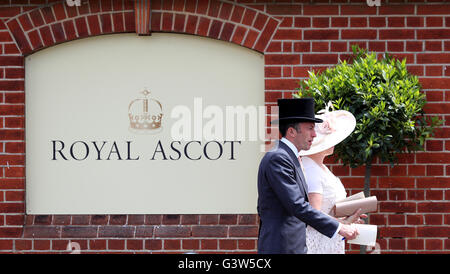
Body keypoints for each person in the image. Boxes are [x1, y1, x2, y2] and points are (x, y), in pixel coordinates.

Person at [257, 98, 358, 254]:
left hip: (293, 246)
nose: (314, 134)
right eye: (310, 128)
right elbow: (297, 205)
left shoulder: (289, 156)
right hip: (282, 247)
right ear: (291, 131)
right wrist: (340, 227)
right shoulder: (278, 158)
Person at [299, 102, 366, 254]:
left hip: (328, 238)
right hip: (318, 243)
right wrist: (342, 226)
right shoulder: (311, 169)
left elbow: (326, 213)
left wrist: (347, 220)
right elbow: (313, 216)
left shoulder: (319, 168)